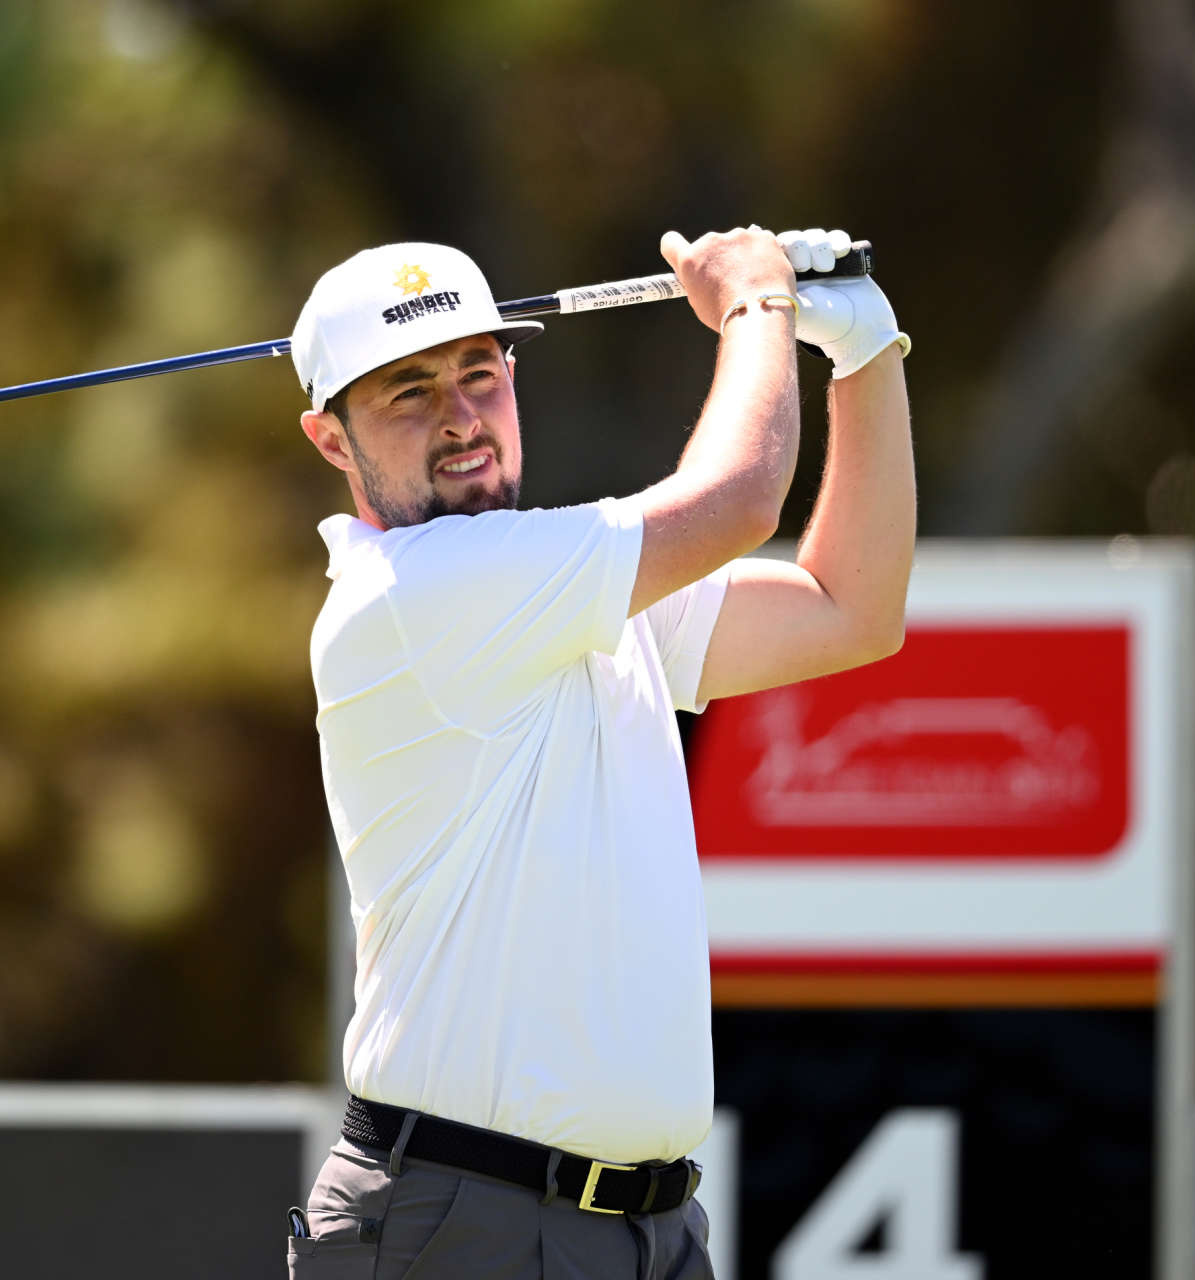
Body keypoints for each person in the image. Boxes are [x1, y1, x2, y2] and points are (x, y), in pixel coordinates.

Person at [285, 228, 912, 1279]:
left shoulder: (560, 596)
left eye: (478, 372)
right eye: (407, 391)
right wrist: (758, 306)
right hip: (464, 1222)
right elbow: (738, 502)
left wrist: (866, 355)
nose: (459, 416)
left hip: (647, 1230)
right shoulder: (414, 596)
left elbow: (852, 607)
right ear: (331, 438)